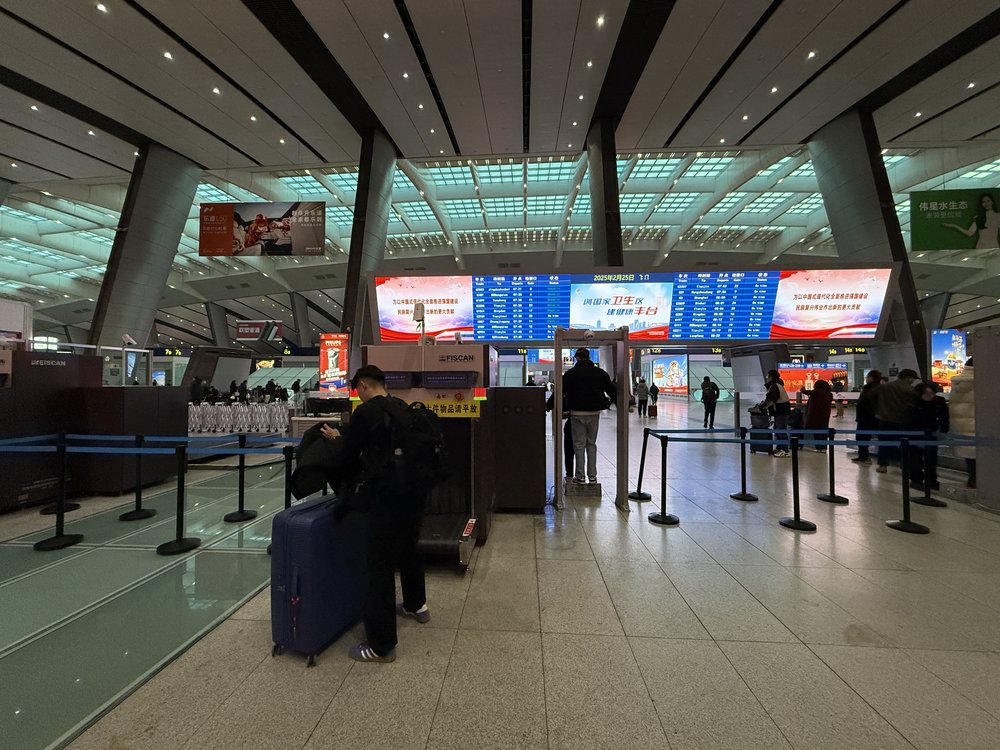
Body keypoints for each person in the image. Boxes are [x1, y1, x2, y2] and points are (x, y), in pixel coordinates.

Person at [321, 365, 428, 664]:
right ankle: (417, 605)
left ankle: (381, 645)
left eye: (357, 389)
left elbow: (349, 454)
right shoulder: (401, 406)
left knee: (379, 567)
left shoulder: (366, 412)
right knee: (409, 549)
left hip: (385, 497)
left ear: (364, 385)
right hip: (413, 493)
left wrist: (336, 443)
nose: (358, 394)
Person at [563, 348, 616, 484]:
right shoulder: (600, 373)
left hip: (576, 413)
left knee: (579, 444)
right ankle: (592, 476)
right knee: (591, 443)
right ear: (588, 357)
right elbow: (612, 390)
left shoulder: (571, 374)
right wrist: (623, 404)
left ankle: (580, 476)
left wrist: (547, 406)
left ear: (577, 358)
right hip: (594, 413)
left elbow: (560, 391)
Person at [874, 369, 919, 474]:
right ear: (908, 378)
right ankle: (904, 464)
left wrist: (878, 410)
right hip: (902, 420)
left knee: (884, 443)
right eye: (913, 379)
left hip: (884, 419)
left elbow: (870, 397)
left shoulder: (885, 387)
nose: (913, 381)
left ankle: (882, 465)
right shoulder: (910, 389)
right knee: (904, 443)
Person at [910, 382, 949, 491]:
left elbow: (944, 417)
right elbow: (908, 418)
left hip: (931, 432)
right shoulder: (913, 402)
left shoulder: (939, 402)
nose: (930, 396)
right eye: (927, 394)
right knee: (916, 458)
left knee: (931, 458)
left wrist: (943, 430)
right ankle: (916, 479)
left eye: (932, 393)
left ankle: (931, 479)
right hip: (915, 432)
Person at [948, 357, 976, 488]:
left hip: (962, 427)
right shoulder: (983, 381)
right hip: (979, 426)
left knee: (971, 456)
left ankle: (973, 479)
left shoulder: (958, 383)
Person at [852, 370, 882, 465]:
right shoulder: (879, 388)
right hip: (874, 417)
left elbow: (867, 403)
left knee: (862, 437)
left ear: (872, 378)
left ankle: (864, 456)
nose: (866, 379)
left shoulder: (869, 388)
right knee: (874, 437)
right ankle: (864, 456)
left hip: (866, 417)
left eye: (867, 377)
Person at [546, 391, 574, 479]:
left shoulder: (567, 383)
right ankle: (584, 474)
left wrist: (547, 406)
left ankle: (570, 474)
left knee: (569, 449)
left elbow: (558, 392)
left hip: (572, 420)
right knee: (586, 447)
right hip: (588, 416)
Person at [763, 370, 791, 457]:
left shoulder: (775, 386)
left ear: (771, 377)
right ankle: (779, 447)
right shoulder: (776, 385)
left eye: (768, 376)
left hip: (781, 411)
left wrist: (763, 406)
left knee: (780, 430)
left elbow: (771, 399)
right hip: (780, 411)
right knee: (777, 429)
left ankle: (785, 450)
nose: (767, 378)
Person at [803, 379, 833, 452]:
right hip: (825, 415)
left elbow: (807, 392)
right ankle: (823, 447)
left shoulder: (818, 392)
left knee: (817, 432)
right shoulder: (829, 394)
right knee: (823, 431)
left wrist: (802, 389)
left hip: (816, 415)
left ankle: (819, 447)